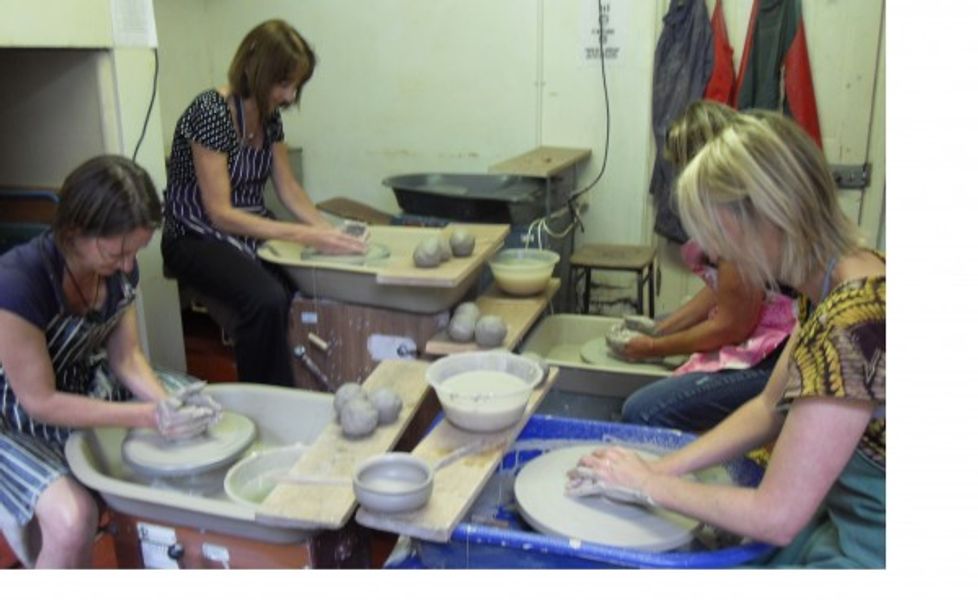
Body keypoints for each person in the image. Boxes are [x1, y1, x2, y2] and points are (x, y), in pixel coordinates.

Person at [571, 113, 885, 568]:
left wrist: (647, 486)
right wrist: (659, 467)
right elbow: (766, 410)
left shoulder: (851, 327)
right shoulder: (842, 278)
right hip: (845, 519)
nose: (711, 250)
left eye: (715, 231)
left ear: (765, 216)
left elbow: (776, 516)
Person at [0, 155, 220, 568]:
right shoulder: (18, 283)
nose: (127, 266)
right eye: (117, 252)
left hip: (79, 383)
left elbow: (127, 358)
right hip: (13, 414)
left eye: (135, 252)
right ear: (74, 231)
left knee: (200, 409)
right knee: (73, 519)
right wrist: (146, 417)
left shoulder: (119, 270)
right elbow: (40, 402)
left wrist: (166, 407)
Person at [161, 19, 366, 386]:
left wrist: (328, 232)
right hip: (195, 234)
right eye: (283, 84)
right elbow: (220, 214)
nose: (289, 97)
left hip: (247, 229)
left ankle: (304, 386)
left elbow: (288, 187)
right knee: (265, 299)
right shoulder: (211, 112)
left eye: (295, 86)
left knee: (301, 291)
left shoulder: (270, 119)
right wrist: (302, 236)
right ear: (257, 70)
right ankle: (268, 399)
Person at [612, 100, 796, 431]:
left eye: (684, 165)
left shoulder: (739, 218)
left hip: (783, 353)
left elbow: (732, 326)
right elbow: (721, 292)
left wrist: (653, 348)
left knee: (642, 410)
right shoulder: (738, 204)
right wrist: (661, 330)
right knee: (665, 321)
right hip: (777, 331)